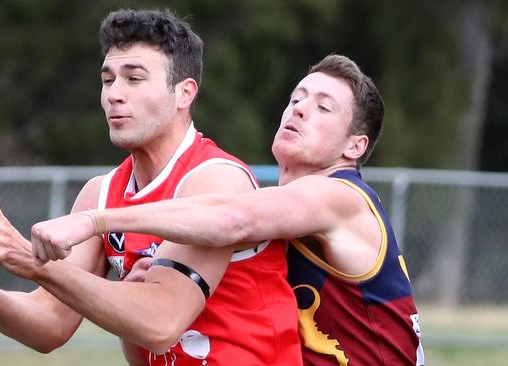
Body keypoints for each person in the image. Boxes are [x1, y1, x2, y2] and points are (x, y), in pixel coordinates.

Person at [0, 8, 302, 366]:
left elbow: (161, 322)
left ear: (185, 93)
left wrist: (33, 263)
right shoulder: (100, 192)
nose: (114, 94)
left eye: (134, 79)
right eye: (108, 80)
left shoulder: (215, 178)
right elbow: (49, 324)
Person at [32, 54, 426, 365]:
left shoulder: (340, 197)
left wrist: (96, 220)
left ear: (354, 147)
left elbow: (230, 218)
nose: (299, 110)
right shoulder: (279, 212)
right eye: (296, 99)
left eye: (323, 108)